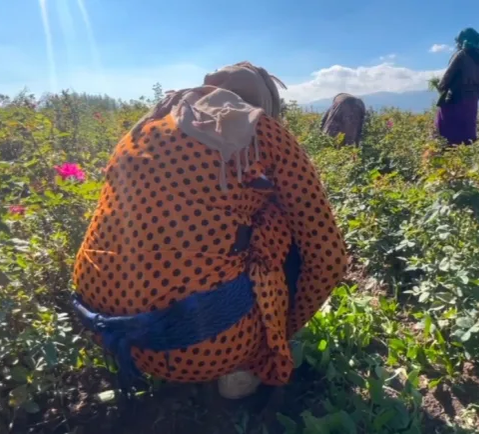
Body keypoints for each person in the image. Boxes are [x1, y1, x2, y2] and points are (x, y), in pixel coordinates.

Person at [71, 62, 347, 400]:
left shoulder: (146, 126)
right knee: (283, 223)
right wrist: (283, 329)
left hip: (101, 323)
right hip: (203, 345)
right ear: (265, 101)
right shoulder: (264, 131)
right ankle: (250, 361)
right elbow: (328, 257)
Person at [435, 28, 479, 145]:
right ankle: (467, 151)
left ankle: (448, 150)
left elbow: (447, 78)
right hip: (473, 98)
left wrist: (440, 86)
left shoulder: (461, 55)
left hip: (455, 98)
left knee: (448, 129)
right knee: (468, 127)